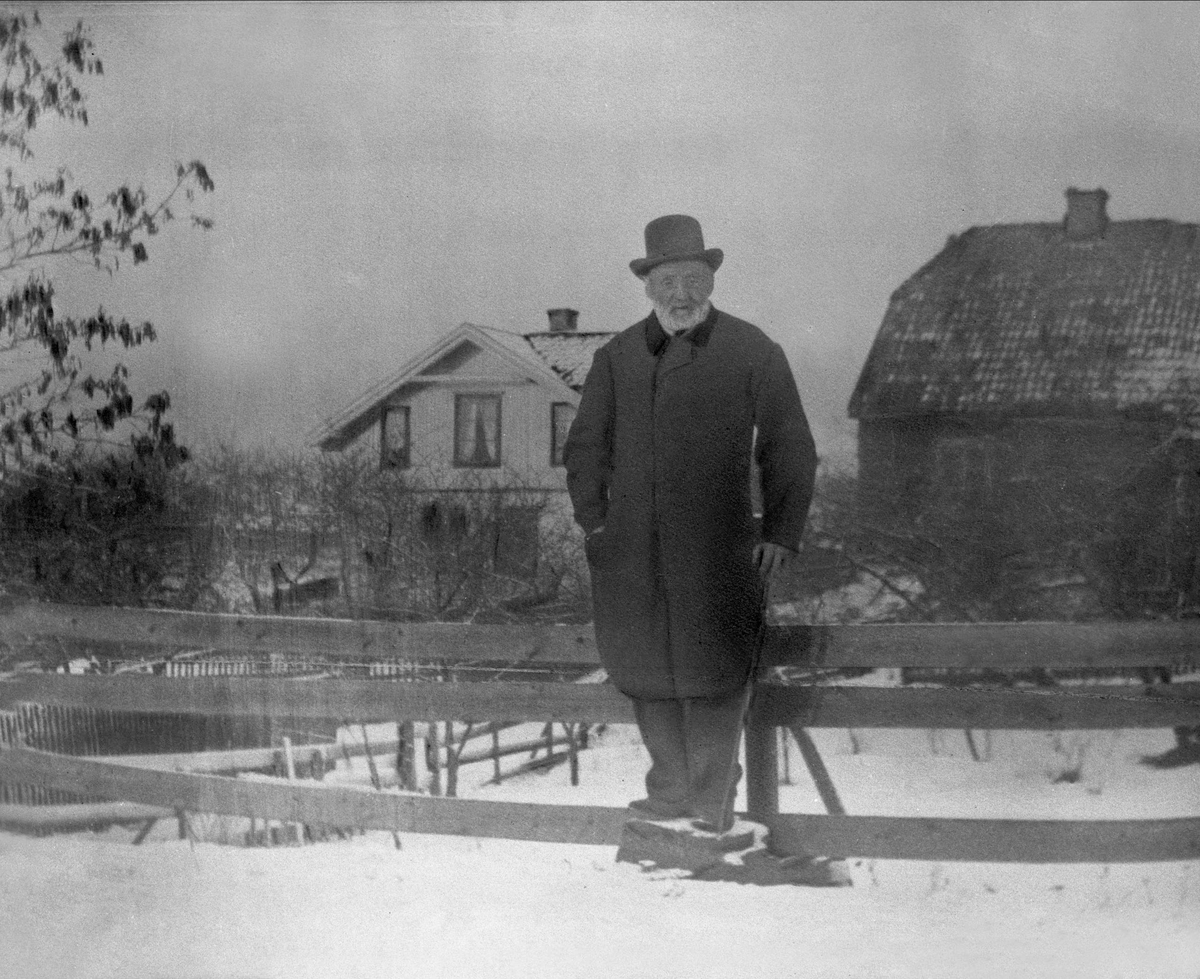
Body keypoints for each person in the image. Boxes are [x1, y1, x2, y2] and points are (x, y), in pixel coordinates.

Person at [564, 214, 817, 837]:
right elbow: (584, 450)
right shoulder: (618, 356)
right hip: (632, 553)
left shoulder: (752, 350)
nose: (680, 295)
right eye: (668, 281)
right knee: (646, 668)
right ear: (648, 286)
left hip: (718, 549)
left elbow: (790, 447)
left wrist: (780, 534)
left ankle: (711, 800)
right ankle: (670, 793)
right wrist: (597, 527)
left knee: (714, 671)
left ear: (710, 280)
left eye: (692, 280)